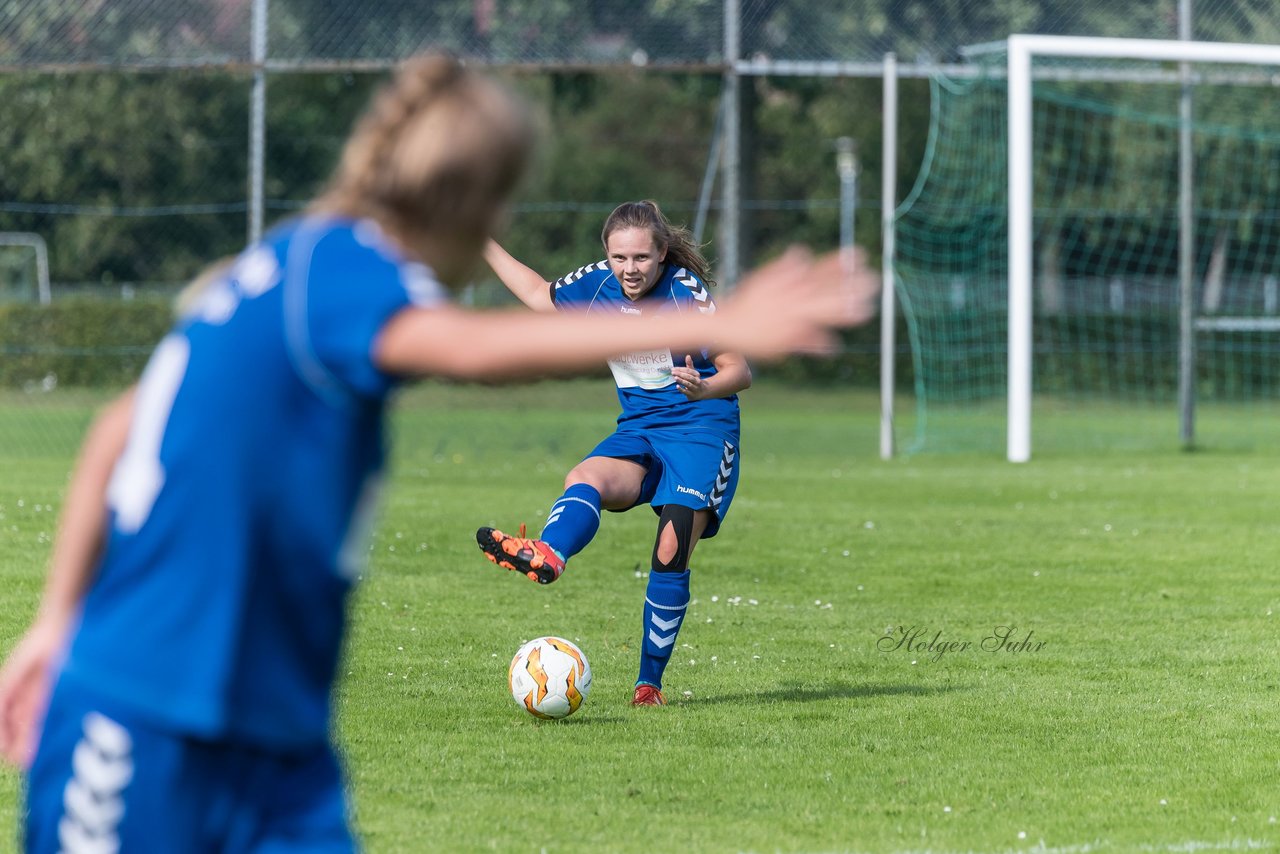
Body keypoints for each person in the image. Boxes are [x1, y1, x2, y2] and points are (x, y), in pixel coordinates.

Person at [0, 55, 878, 853]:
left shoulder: (294, 262)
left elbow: (121, 426)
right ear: (475, 207)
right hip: (146, 717)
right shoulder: (341, 271)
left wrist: (51, 619)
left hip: (278, 734)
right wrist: (725, 323)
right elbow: (473, 351)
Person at [476, 201, 751, 707]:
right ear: (607, 254)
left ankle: (649, 686)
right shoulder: (598, 284)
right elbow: (540, 295)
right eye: (620, 257)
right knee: (586, 475)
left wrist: (703, 389)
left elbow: (740, 370)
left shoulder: (687, 298)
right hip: (641, 428)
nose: (630, 269)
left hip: (702, 430)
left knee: (670, 547)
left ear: (662, 254)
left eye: (642, 258)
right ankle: (550, 554)